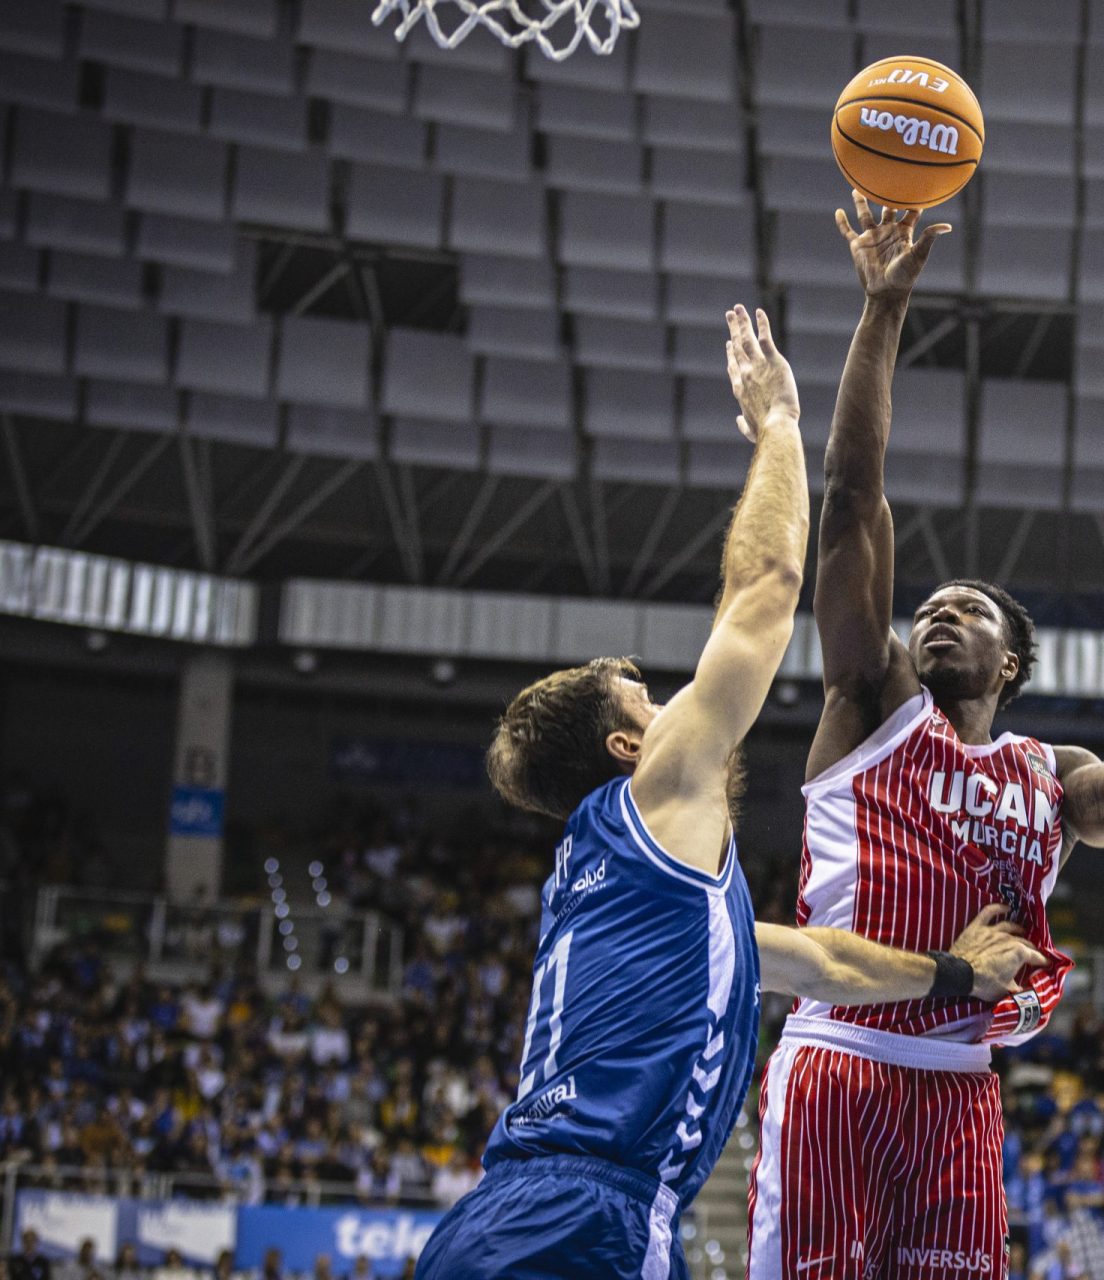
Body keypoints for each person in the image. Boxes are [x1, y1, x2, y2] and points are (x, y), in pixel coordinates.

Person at [413, 306, 1041, 1280]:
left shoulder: (627, 892)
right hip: (581, 1216)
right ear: (630, 746)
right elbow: (764, 585)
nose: (677, 708)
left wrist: (955, 976)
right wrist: (779, 426)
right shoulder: (655, 796)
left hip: (507, 1213)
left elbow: (813, 957)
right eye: (651, 702)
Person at [748, 194, 1104, 1278]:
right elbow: (853, 499)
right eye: (933, 604)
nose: (939, 611)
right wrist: (884, 309)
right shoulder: (873, 706)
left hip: (960, 1087)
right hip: (845, 1057)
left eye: (971, 608)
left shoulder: (1045, 772)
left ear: (1011, 662)